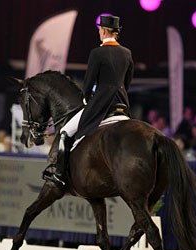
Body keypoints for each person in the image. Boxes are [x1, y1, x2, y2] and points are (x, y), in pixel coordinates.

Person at [47, 15, 134, 186]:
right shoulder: (127, 53)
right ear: (116, 33)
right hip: (122, 104)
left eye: (99, 30)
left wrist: (87, 100)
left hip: (101, 104)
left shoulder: (97, 53)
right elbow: (127, 82)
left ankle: (59, 175)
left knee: (65, 132)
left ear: (102, 31)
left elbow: (88, 83)